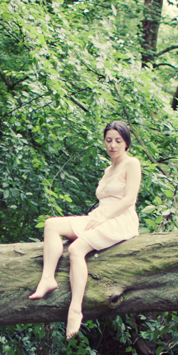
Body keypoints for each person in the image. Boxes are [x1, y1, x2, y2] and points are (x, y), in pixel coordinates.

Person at [30, 121, 142, 339]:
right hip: (99, 217)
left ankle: (75, 309)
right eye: (109, 140)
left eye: (118, 141)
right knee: (51, 224)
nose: (113, 145)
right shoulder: (108, 169)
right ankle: (47, 279)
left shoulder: (132, 164)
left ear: (126, 143)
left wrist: (103, 216)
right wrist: (98, 216)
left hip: (120, 219)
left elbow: (129, 200)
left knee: (76, 250)